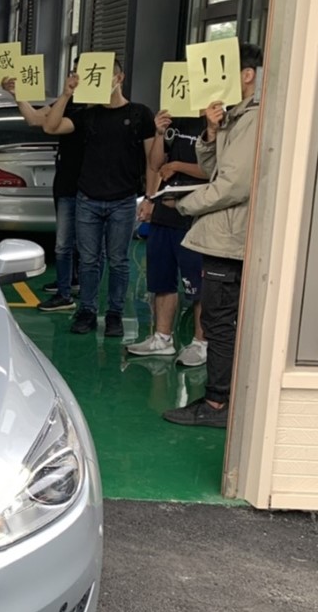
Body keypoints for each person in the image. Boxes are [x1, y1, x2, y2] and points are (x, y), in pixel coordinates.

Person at [163, 43, 263, 428]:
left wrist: (183, 205)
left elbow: (233, 185)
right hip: (224, 234)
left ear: (246, 75)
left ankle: (218, 404)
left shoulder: (253, 118)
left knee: (219, 323)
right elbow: (214, 169)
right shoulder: (236, 117)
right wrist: (211, 131)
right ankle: (220, 399)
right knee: (219, 320)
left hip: (230, 237)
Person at [42, 59, 156, 337]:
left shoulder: (140, 114)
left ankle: (115, 314)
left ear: (120, 78)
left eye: (107, 76)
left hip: (123, 199)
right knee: (89, 260)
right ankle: (87, 310)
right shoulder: (88, 115)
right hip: (88, 198)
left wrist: (151, 198)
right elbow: (51, 127)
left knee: (118, 260)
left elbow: (153, 161)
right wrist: (66, 93)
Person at [127, 111, 208, 366]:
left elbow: (215, 169)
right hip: (165, 209)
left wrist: (177, 166)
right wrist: (160, 133)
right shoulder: (175, 118)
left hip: (196, 213)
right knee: (161, 279)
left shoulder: (214, 122)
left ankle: (201, 342)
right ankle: (162, 338)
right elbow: (155, 165)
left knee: (198, 284)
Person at [2, 68, 84, 312]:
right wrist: (17, 95)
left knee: (89, 246)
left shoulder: (101, 110)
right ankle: (66, 287)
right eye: (72, 73)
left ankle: (82, 288)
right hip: (66, 182)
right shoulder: (65, 104)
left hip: (93, 185)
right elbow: (36, 119)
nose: (74, 78)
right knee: (64, 242)